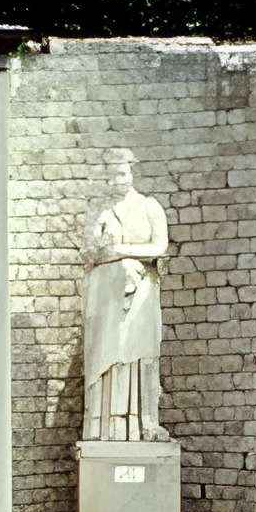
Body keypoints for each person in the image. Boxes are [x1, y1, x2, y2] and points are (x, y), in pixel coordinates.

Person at [82, 149, 168, 442]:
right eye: (111, 174)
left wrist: (122, 251)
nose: (116, 180)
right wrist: (106, 253)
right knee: (109, 355)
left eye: (121, 173)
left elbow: (160, 246)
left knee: (137, 354)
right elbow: (89, 254)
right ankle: (105, 427)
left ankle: (142, 424)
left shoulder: (149, 206)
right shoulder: (101, 212)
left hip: (142, 293)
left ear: (133, 174)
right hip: (108, 295)